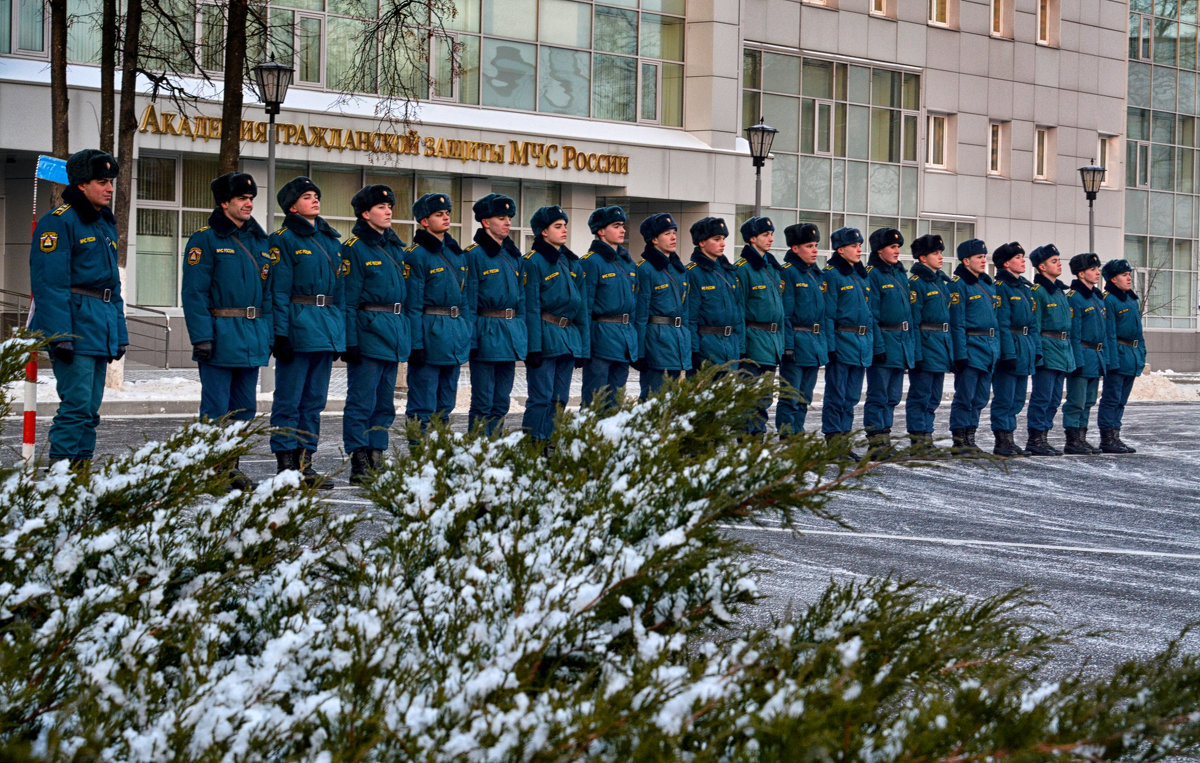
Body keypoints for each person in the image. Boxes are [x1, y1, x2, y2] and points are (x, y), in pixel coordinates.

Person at [29, 148, 128, 470]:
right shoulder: (58, 223)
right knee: (76, 406)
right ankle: (61, 474)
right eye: (102, 181)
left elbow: (113, 287)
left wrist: (120, 334)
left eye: (111, 181)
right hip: (74, 325)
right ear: (82, 185)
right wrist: (60, 336)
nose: (110, 188)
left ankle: (80, 472)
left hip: (99, 326)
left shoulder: (103, 224)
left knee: (91, 409)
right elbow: (50, 284)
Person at [180, 171, 272, 490]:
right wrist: (202, 337)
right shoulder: (204, 240)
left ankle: (232, 464)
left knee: (244, 408)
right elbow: (194, 293)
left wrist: (269, 333)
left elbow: (269, 294)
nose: (248, 204)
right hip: (220, 335)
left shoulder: (260, 242)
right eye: (242, 199)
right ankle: (212, 467)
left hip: (251, 335)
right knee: (216, 409)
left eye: (251, 199)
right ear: (224, 203)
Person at [269, 176, 344, 488]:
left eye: (316, 195)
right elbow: (279, 292)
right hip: (299, 329)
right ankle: (286, 465)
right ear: (292, 206)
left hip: (324, 329)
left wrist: (339, 334)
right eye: (307, 196)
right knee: (289, 400)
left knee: (314, 401)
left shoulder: (331, 242)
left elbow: (340, 293)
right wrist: (281, 334)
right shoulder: (282, 240)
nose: (315, 200)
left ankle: (305, 462)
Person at [340, 184, 411, 485]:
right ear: (365, 213)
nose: (388, 211)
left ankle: (376, 455)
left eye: (390, 206)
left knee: (384, 402)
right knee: (361, 401)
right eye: (381, 207)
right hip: (368, 333)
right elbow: (347, 299)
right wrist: (351, 341)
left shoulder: (396, 248)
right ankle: (358, 461)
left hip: (393, 331)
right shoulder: (354, 248)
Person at [521, 205, 588, 443]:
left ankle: (551, 443)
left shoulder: (572, 263)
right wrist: (534, 348)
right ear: (543, 232)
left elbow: (582, 310)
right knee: (541, 397)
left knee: (560, 398)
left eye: (565, 226)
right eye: (557, 226)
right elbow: (531, 308)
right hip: (546, 336)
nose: (564, 230)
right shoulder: (533, 262)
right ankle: (532, 445)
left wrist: (583, 348)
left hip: (568, 340)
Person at [405, 192, 471, 432]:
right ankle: (419, 455)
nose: (446, 218)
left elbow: (465, 301)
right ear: (424, 221)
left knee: (446, 403)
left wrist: (466, 332)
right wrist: (416, 345)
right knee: (422, 404)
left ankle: (439, 453)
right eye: (438, 214)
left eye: (447, 213)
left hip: (453, 336)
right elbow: (413, 305)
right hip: (429, 334)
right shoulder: (416, 256)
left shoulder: (458, 255)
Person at [464, 193, 526, 435]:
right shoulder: (473, 255)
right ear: (485, 222)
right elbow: (468, 302)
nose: (508, 222)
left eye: (509, 218)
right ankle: (478, 452)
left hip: (510, 335)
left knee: (501, 400)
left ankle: (496, 448)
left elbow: (522, 299)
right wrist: (472, 340)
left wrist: (520, 332)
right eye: (501, 218)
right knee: (483, 401)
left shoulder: (514, 256)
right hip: (486, 333)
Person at [821, 226, 876, 459]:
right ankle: (834, 442)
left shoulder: (860, 275)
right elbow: (828, 315)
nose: (859, 250)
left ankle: (844, 440)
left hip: (861, 343)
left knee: (852, 397)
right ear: (840, 249)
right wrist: (831, 347)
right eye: (854, 246)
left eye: (860, 245)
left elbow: (869, 313)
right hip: (843, 342)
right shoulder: (832, 275)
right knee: (837, 395)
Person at [863, 227, 916, 455]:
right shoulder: (873, 274)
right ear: (879, 250)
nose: (897, 251)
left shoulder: (899, 274)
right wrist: (878, 346)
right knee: (879, 394)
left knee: (893, 396)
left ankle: (886, 435)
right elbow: (871, 314)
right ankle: (877, 442)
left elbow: (909, 314)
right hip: (884, 340)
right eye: (893, 247)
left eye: (898, 247)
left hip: (901, 342)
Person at [580, 205, 637, 409]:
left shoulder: (628, 264)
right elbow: (584, 309)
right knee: (595, 400)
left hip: (624, 340)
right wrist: (585, 347)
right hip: (601, 339)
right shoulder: (590, 262)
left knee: (616, 402)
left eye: (622, 225)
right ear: (601, 231)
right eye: (616, 226)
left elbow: (634, 306)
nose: (622, 230)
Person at [948, 238, 999, 454]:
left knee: (980, 397)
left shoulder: (988, 285)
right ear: (966, 260)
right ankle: (960, 440)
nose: (983, 261)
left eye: (984, 257)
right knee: (965, 396)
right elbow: (957, 323)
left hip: (988, 347)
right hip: (971, 347)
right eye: (979, 257)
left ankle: (971, 437)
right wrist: (960, 354)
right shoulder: (958, 285)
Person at [736, 216, 785, 436]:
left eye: (771, 234)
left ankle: (758, 437)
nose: (770, 238)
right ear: (752, 238)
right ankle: (747, 442)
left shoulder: (772, 268)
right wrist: (742, 346)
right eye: (765, 235)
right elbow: (739, 310)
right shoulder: (743, 269)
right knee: (748, 397)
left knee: (764, 398)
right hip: (753, 341)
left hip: (771, 343)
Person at [777, 223, 827, 436]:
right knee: (790, 396)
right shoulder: (788, 273)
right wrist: (788, 346)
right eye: (809, 245)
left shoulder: (816, 275)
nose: (815, 250)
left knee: (804, 396)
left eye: (816, 245)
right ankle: (788, 437)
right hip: (796, 344)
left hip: (813, 344)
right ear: (795, 248)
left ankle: (798, 433)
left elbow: (823, 315)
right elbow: (785, 314)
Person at [1025, 244, 1075, 456]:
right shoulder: (1038, 292)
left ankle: (1044, 436)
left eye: (1058, 260)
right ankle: (1035, 439)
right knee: (1042, 397)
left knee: (1055, 398)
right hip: (1047, 349)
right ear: (1042, 267)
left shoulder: (1060, 292)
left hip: (1062, 350)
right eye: (1054, 261)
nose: (1059, 264)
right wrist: (1037, 353)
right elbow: (1035, 326)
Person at [634, 213, 690, 399]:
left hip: (677, 340)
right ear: (654, 239)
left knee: (673, 400)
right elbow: (640, 315)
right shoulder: (645, 269)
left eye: (674, 232)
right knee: (653, 397)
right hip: (656, 342)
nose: (673, 237)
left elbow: (686, 311)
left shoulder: (679, 270)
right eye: (667, 233)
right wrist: (640, 352)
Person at [989, 242, 1037, 457]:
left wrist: (1035, 350)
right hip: (1012, 347)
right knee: (1005, 397)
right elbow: (1002, 322)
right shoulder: (1001, 287)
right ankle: (1002, 440)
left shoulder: (1024, 289)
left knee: (1018, 398)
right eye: (1018, 257)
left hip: (1024, 346)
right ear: (1006, 263)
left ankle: (1010, 437)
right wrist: (1008, 354)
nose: (1022, 261)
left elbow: (1032, 323)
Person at [905, 234, 953, 450]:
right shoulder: (916, 284)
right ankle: (918, 438)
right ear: (922, 258)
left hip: (940, 344)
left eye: (941, 252)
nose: (940, 257)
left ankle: (928, 434)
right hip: (925, 344)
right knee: (920, 395)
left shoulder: (941, 283)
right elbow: (914, 321)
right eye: (935, 253)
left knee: (934, 396)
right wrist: (915, 352)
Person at [685, 216, 743, 376]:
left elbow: (738, 314)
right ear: (702, 242)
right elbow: (690, 318)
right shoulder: (693, 273)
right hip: (707, 349)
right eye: (716, 239)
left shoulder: (729, 272)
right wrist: (694, 351)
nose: (723, 243)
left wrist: (740, 347)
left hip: (730, 348)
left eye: (723, 239)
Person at [1097, 258, 1145, 453]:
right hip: (1118, 354)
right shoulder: (1108, 299)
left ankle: (1116, 435)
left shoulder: (1132, 300)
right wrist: (1112, 361)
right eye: (1124, 275)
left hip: (1131, 355)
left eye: (1129, 275)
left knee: (1122, 400)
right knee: (1112, 398)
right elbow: (1109, 333)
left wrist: (1141, 354)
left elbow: (1138, 333)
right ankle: (1107, 438)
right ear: (1113, 279)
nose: (1129, 278)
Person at [1064, 252, 1109, 455]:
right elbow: (1074, 333)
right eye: (1092, 269)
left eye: (1097, 268)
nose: (1097, 272)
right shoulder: (1075, 298)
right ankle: (1073, 439)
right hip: (1082, 353)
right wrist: (1077, 360)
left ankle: (1082, 437)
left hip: (1095, 356)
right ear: (1081, 274)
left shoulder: (1096, 298)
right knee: (1076, 401)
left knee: (1089, 400)